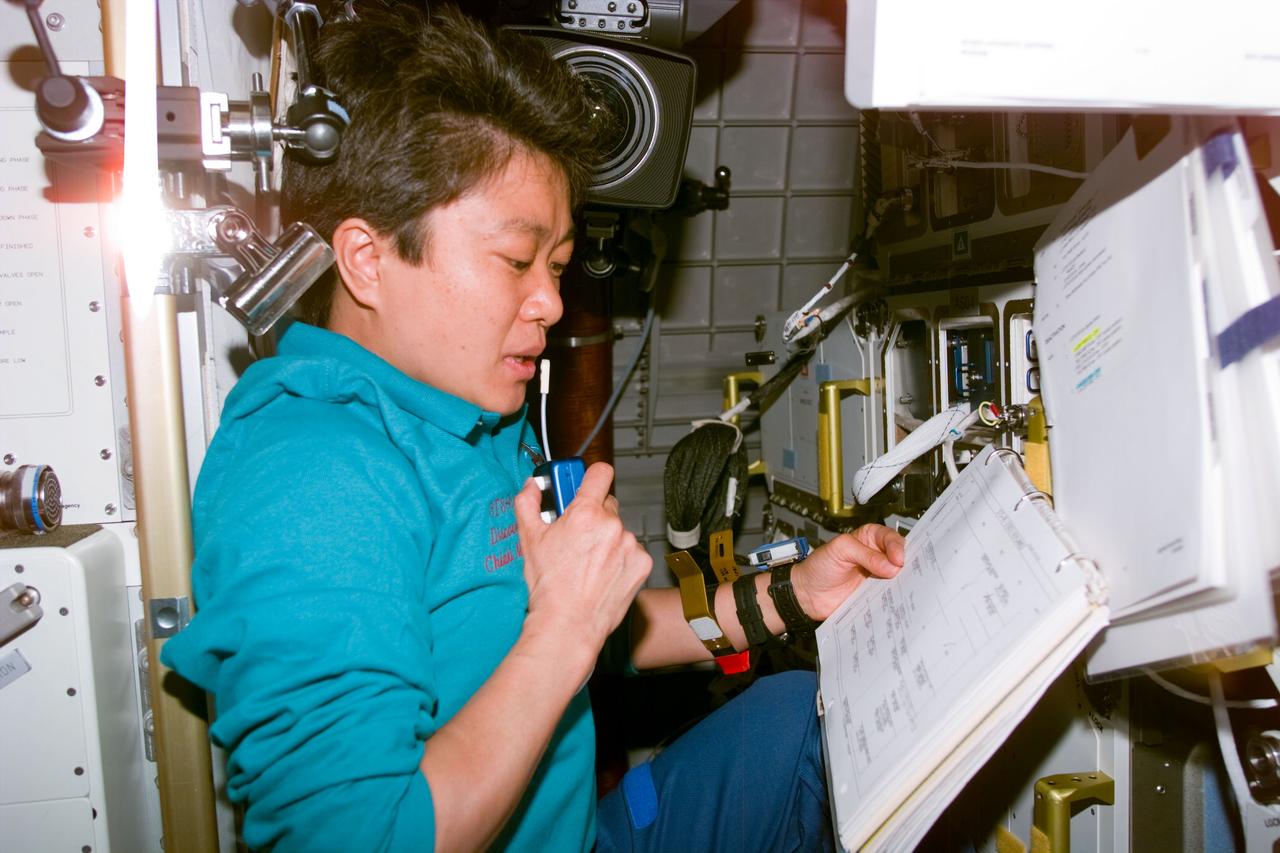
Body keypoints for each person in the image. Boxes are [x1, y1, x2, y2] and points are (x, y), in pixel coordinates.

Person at [160, 4, 906, 852]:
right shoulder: (312, 481)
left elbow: (605, 631)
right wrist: (564, 629)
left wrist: (794, 597)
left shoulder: (462, 411)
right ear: (368, 258)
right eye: (517, 262)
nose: (551, 302)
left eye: (554, 267)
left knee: (800, 713)